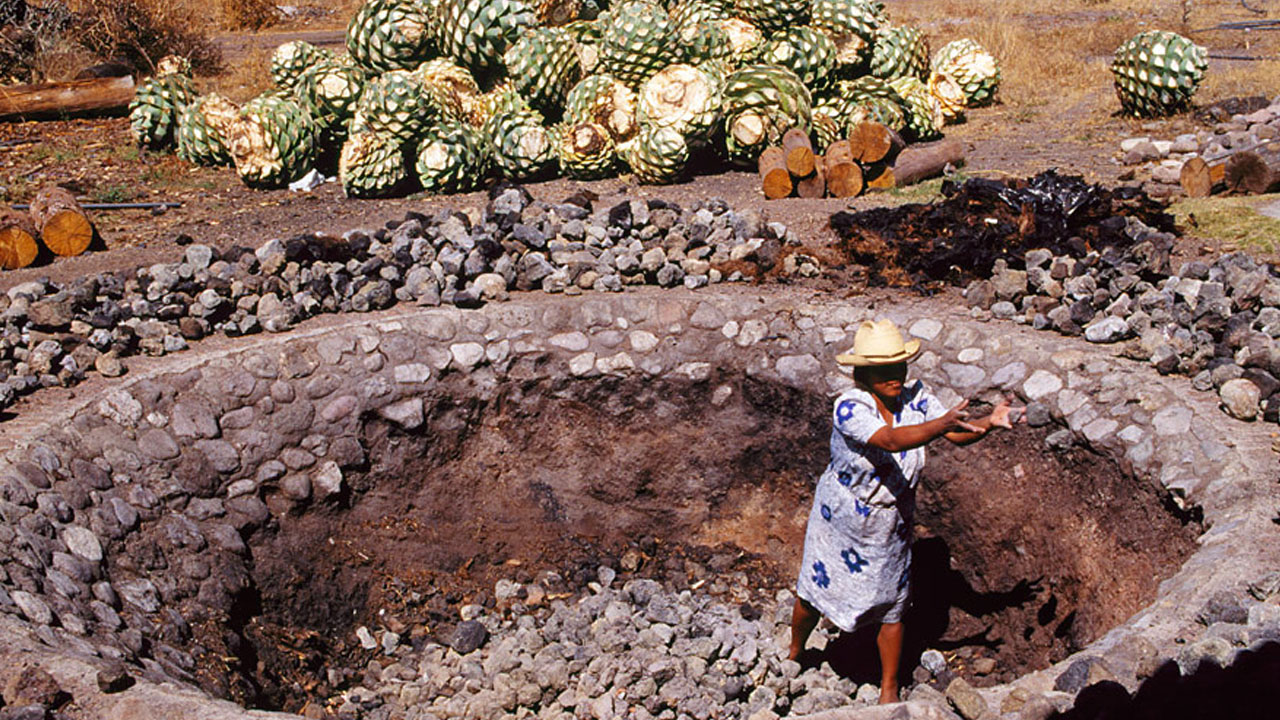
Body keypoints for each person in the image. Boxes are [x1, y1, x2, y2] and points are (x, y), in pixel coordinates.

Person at [788, 319, 1020, 705]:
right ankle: (795, 652)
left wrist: (988, 423)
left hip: (890, 520)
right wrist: (940, 424)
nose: (895, 376)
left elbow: (955, 432)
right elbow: (892, 440)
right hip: (843, 518)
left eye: (899, 366)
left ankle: (889, 687)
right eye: (884, 369)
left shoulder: (916, 397)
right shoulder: (850, 407)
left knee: (893, 603)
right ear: (863, 372)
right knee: (816, 590)